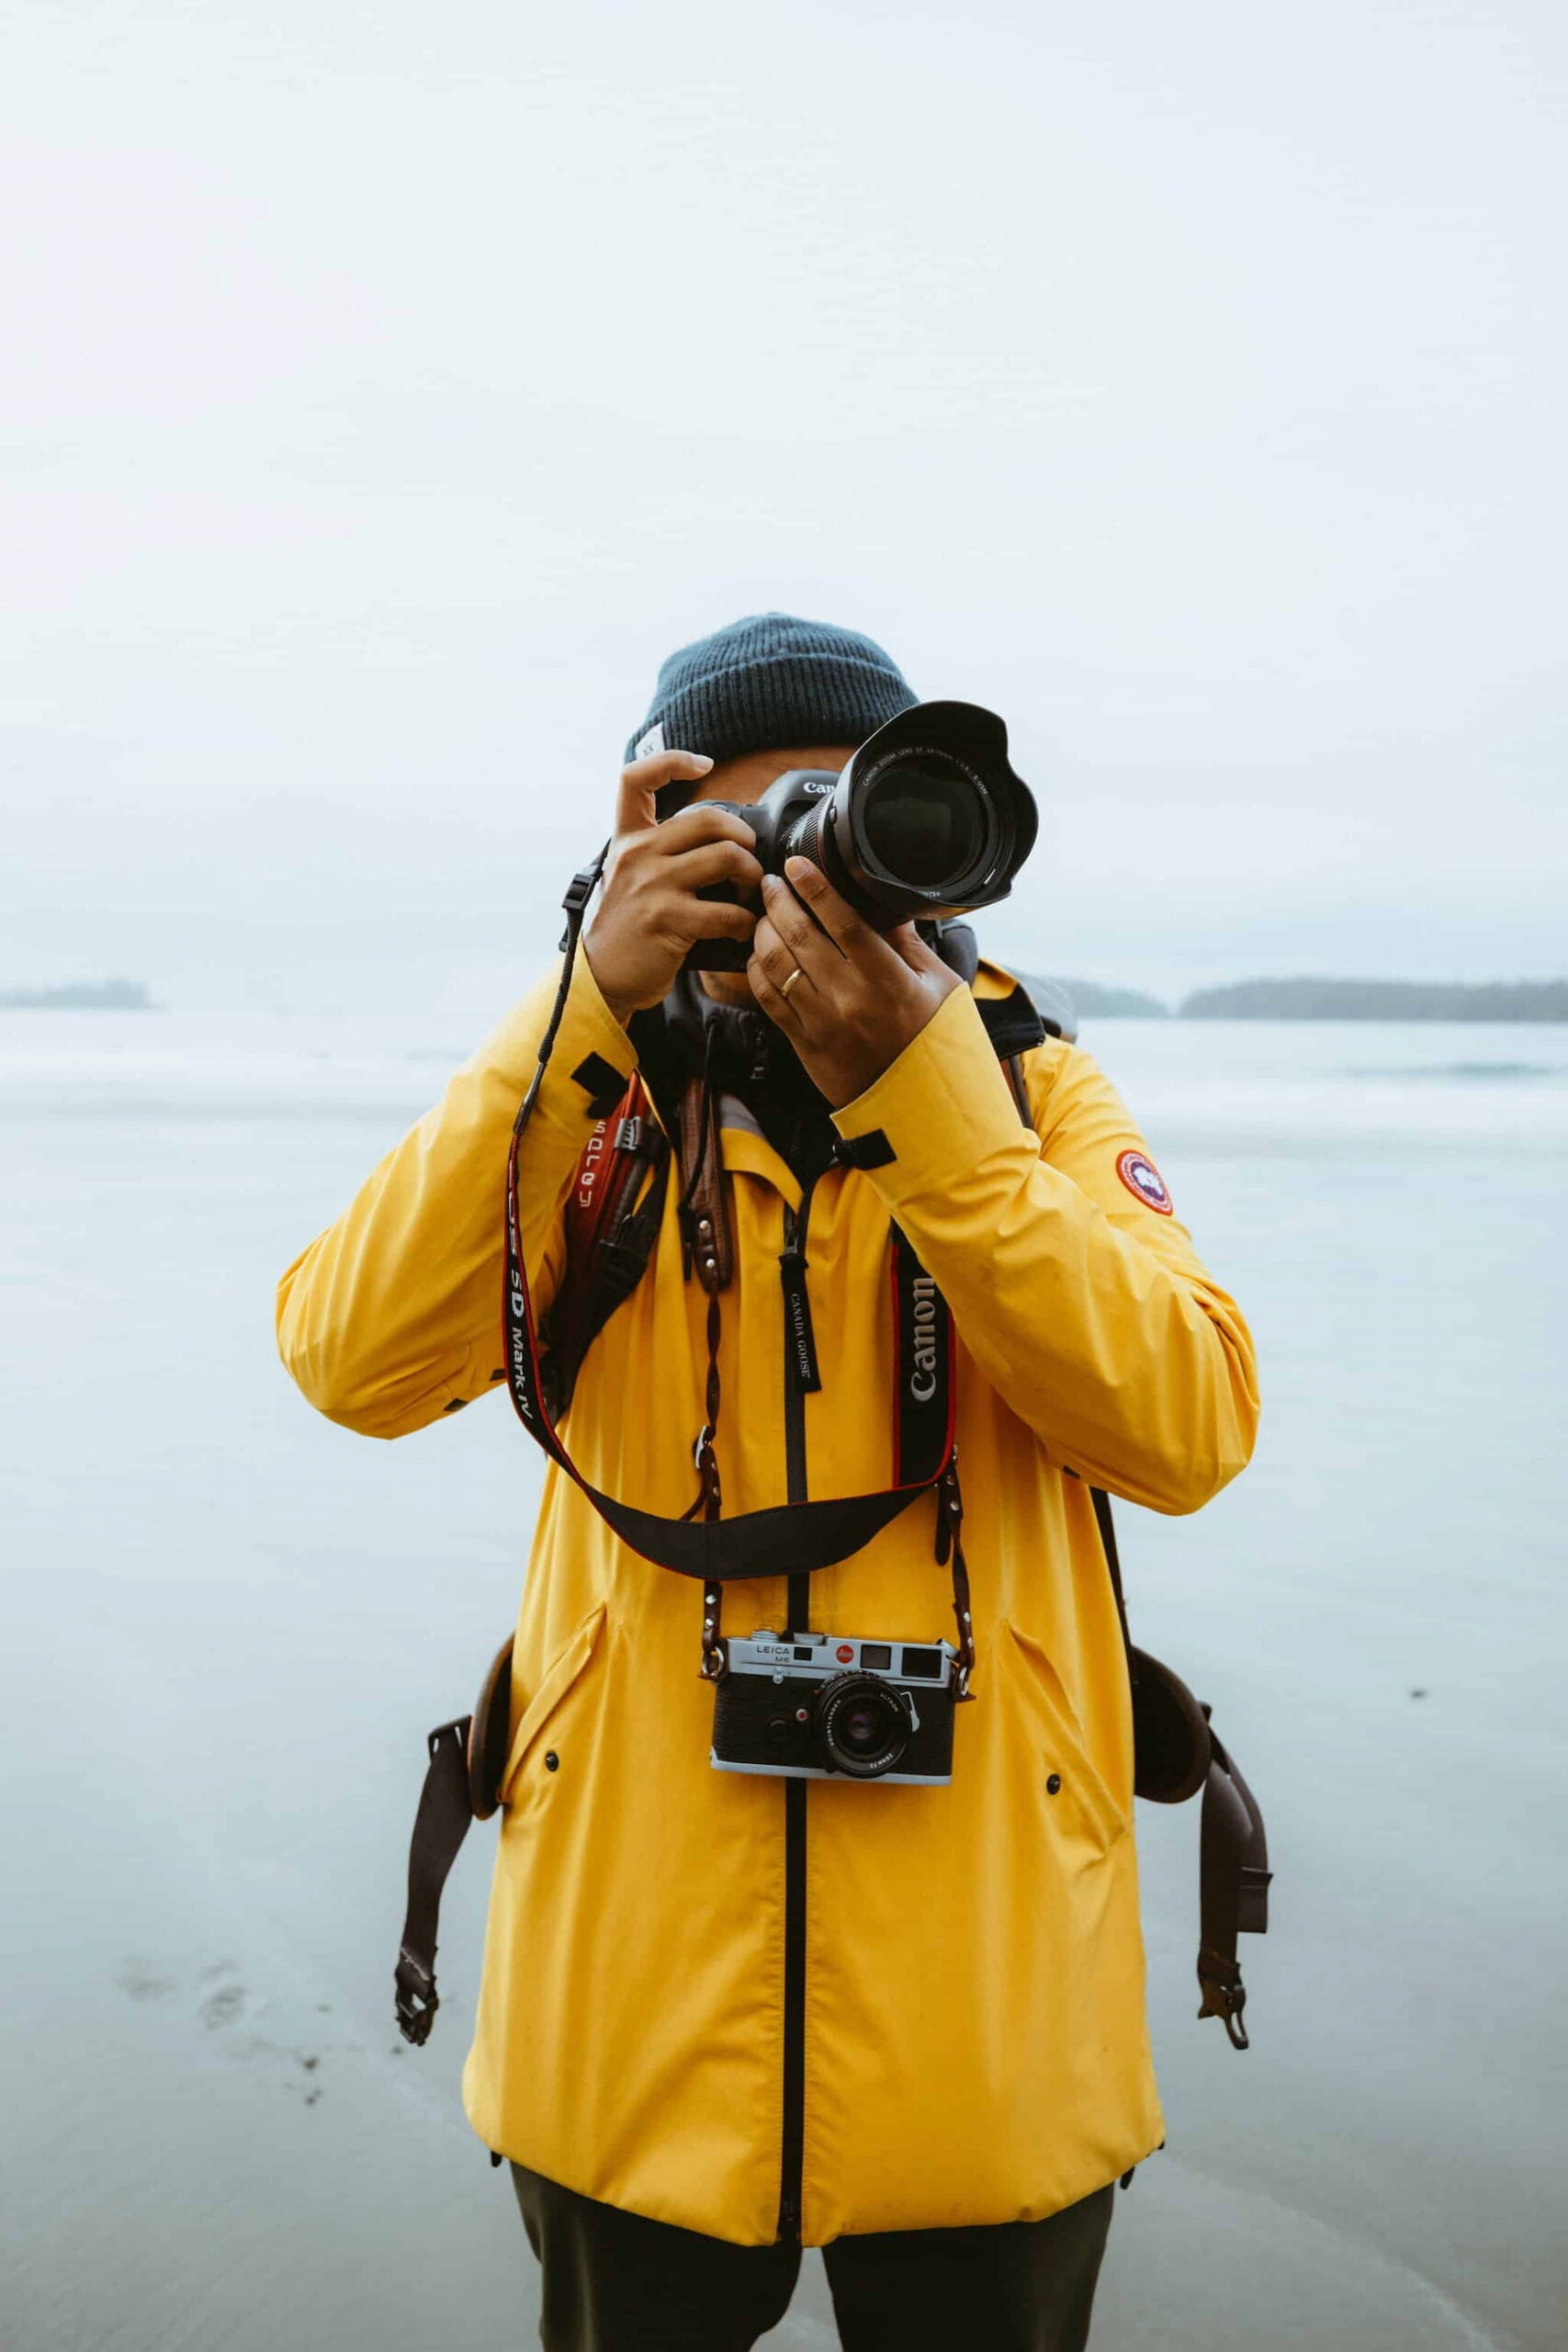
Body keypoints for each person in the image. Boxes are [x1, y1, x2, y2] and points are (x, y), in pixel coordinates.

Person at [276, 614, 1258, 2351]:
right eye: (730, 839)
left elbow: (1190, 1427)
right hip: (633, 2025)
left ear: (927, 850)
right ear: (637, 848)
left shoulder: (1029, 1095)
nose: (792, 884)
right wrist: (587, 1008)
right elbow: (348, 1361)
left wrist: (932, 1117)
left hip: (990, 2029)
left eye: (834, 824)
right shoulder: (587, 1101)